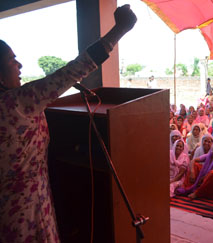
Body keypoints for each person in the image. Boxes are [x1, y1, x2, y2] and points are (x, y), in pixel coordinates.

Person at [0, 5, 136, 242]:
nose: (20, 65)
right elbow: (74, 70)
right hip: (26, 209)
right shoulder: (14, 103)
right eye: (12, 60)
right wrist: (119, 30)